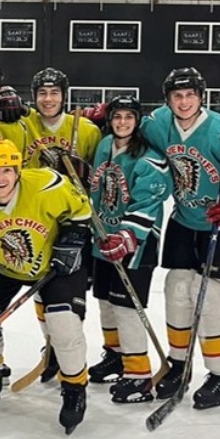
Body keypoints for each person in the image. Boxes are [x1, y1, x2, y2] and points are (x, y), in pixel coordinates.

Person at [141, 67, 220, 409]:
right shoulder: (158, 123)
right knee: (176, 287)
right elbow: (130, 136)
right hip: (184, 220)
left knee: (208, 294)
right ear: (167, 99)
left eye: (190, 95)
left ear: (201, 96)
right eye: (176, 96)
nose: (183, 102)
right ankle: (178, 364)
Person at [0, 139, 93, 434]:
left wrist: (74, 236)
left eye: (6, 170)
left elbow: (80, 209)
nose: (0, 178)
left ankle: (75, 388)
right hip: (6, 269)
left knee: (63, 324)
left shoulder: (47, 185)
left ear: (18, 171)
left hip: (56, 263)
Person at [0, 67, 102, 382]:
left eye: (54, 92)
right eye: (42, 93)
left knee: (70, 293)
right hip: (36, 222)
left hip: (74, 221)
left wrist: (89, 178)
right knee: (42, 287)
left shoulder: (84, 130)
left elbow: (102, 174)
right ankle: (52, 344)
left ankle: (64, 349)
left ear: (64, 96)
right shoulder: (21, 125)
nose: (48, 99)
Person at [88, 96, 173, 402]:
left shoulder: (149, 159)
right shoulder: (104, 146)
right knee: (105, 302)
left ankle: (138, 374)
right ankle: (116, 356)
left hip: (135, 245)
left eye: (128, 117)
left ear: (137, 121)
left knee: (127, 308)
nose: (122, 122)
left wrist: (126, 236)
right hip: (103, 239)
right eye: (117, 117)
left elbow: (150, 202)